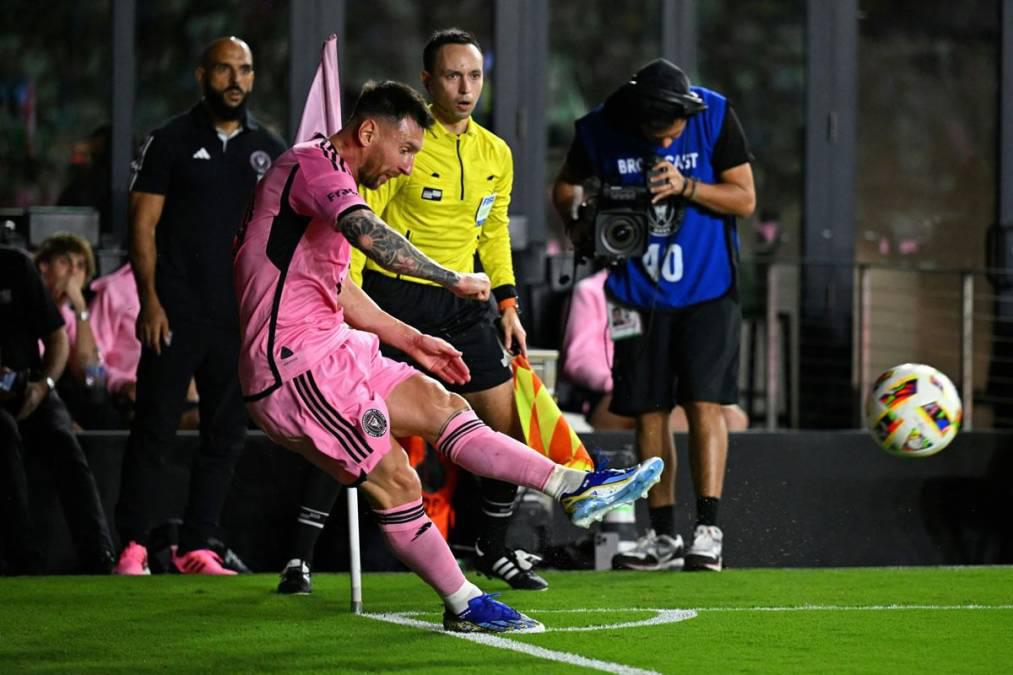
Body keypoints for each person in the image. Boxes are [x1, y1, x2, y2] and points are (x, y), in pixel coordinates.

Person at [234, 79, 662, 632]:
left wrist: (412, 339)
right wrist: (450, 277)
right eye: (406, 150)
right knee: (397, 479)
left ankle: (572, 486)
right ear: (368, 132)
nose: (408, 167)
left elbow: (339, 290)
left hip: (338, 348)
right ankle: (464, 602)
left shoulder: (327, 180)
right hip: (292, 368)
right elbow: (368, 234)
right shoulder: (313, 167)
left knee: (446, 407)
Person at [286, 28, 544, 595]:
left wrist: (508, 303)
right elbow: (361, 225)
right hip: (394, 297)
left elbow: (494, 230)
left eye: (474, 76)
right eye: (452, 76)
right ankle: (299, 557)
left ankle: (492, 547)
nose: (465, 87)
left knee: (506, 425)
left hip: (465, 303)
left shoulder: (496, 153)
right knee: (352, 422)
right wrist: (346, 299)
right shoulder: (404, 144)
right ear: (428, 81)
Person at [552, 59, 756, 573]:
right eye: (659, 133)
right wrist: (579, 224)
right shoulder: (599, 129)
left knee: (705, 402)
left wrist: (688, 186)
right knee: (648, 409)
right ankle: (663, 537)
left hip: (709, 288)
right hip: (635, 293)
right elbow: (566, 186)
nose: (668, 140)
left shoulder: (715, 115)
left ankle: (708, 531)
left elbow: (744, 198)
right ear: (638, 120)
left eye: (676, 130)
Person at [114, 36, 287, 576]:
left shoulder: (270, 149)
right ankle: (133, 546)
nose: (235, 80)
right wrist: (150, 302)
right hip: (174, 312)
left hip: (238, 318)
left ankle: (198, 546)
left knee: (225, 435)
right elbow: (141, 224)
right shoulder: (169, 140)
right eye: (224, 69)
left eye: (245, 69)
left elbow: (283, 236)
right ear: (201, 74)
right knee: (154, 429)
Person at [0, 246, 116, 575]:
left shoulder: (17, 269)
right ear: (44, 266)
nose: (73, 273)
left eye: (81, 266)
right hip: (26, 392)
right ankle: (22, 561)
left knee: (62, 437)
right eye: (65, 262)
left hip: (37, 387)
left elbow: (91, 375)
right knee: (4, 432)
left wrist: (44, 385)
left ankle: (100, 555)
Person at [562, 268, 749, 433]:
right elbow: (578, 360)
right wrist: (619, 380)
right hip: (611, 393)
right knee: (679, 416)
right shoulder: (590, 290)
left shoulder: (669, 294)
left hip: (663, 388)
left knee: (733, 418)